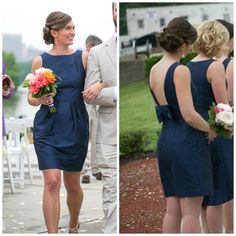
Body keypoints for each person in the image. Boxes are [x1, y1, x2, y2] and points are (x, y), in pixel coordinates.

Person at [149, 17, 216, 233]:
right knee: (190, 212)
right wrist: (211, 128)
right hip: (187, 142)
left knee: (173, 210)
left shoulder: (155, 69)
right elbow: (189, 115)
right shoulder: (180, 70)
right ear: (184, 43)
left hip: (166, 140)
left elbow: (161, 109)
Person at [27, 11, 89, 233]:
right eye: (68, 28)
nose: (72, 32)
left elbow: (95, 84)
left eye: (73, 28)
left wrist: (99, 87)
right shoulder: (40, 61)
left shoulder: (83, 57)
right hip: (47, 126)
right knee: (52, 181)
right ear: (54, 32)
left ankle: (73, 223)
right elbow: (31, 98)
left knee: (72, 184)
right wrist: (41, 98)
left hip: (75, 126)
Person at [187, 20, 231, 233]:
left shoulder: (188, 66)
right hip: (214, 132)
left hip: (195, 132)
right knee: (217, 195)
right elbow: (223, 109)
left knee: (204, 196)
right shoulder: (215, 66)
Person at [83, 2, 117, 233]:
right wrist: (103, 88)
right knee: (111, 189)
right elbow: (89, 95)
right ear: (112, 12)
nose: (118, 11)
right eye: (116, 7)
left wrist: (111, 89)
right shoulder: (97, 52)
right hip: (107, 132)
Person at [216, 19, 234, 234]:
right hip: (227, 127)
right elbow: (228, 102)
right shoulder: (229, 64)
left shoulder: (200, 63)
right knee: (229, 188)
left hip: (213, 129)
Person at [82, 35, 103, 184]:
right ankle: (84, 171)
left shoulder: (100, 62)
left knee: (96, 137)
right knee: (84, 137)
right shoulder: (81, 61)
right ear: (89, 48)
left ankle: (96, 168)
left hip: (97, 103)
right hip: (83, 103)